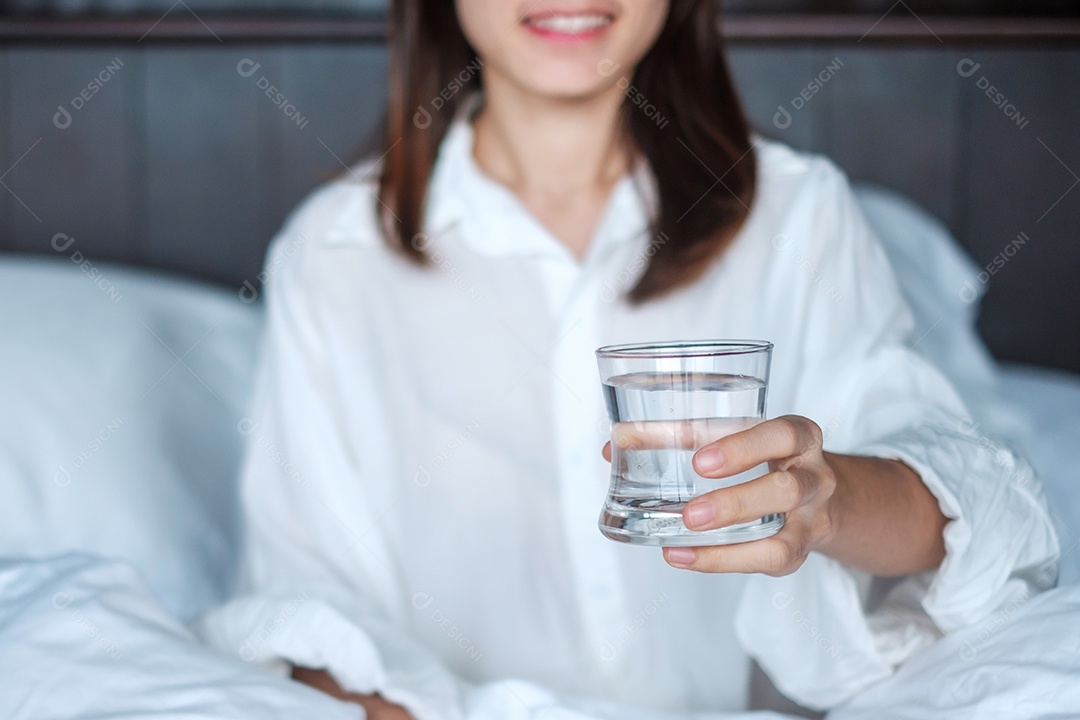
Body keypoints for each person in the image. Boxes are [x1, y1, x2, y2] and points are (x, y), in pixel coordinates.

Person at [195, 1, 1059, 718]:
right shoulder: (334, 255)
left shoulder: (799, 214)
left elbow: (972, 518)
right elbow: (310, 602)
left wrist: (826, 501)